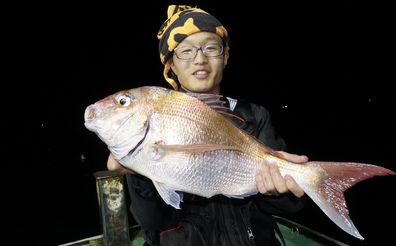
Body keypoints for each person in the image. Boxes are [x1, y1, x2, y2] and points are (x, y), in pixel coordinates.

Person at [107, 4, 309, 246]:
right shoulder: (154, 123)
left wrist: (280, 191)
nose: (200, 59)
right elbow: (153, 222)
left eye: (211, 48)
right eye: (186, 51)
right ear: (170, 64)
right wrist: (139, 172)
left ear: (225, 56)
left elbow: (289, 206)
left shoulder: (254, 116)